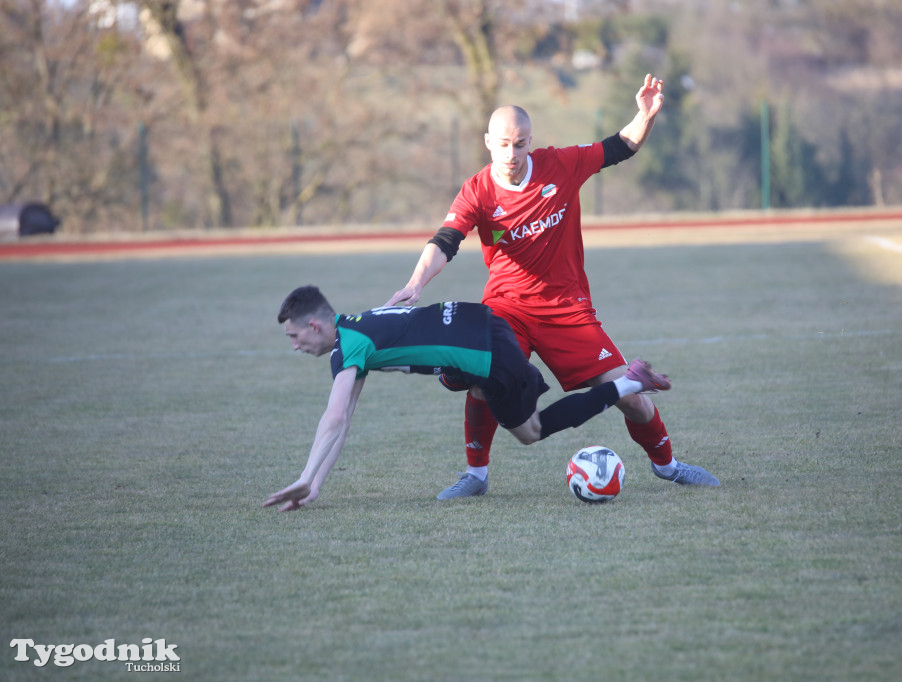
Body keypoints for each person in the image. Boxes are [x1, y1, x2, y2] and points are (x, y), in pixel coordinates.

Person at [385, 74, 720, 499]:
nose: (512, 152)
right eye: (503, 143)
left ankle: (669, 467)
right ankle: (476, 475)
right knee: (484, 384)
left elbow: (620, 146)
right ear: (487, 141)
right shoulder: (477, 191)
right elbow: (445, 240)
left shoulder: (560, 165)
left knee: (629, 396)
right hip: (507, 310)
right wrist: (416, 283)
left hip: (567, 308)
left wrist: (645, 115)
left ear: (530, 141)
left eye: (520, 143)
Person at [263, 285, 675, 511]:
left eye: (294, 336)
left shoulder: (347, 348)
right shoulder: (354, 326)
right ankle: (476, 470)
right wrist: (314, 485)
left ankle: (629, 382)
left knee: (530, 431)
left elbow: (335, 418)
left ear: (315, 326)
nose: (294, 345)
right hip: (476, 323)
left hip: (484, 350)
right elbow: (346, 418)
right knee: (464, 383)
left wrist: (303, 477)